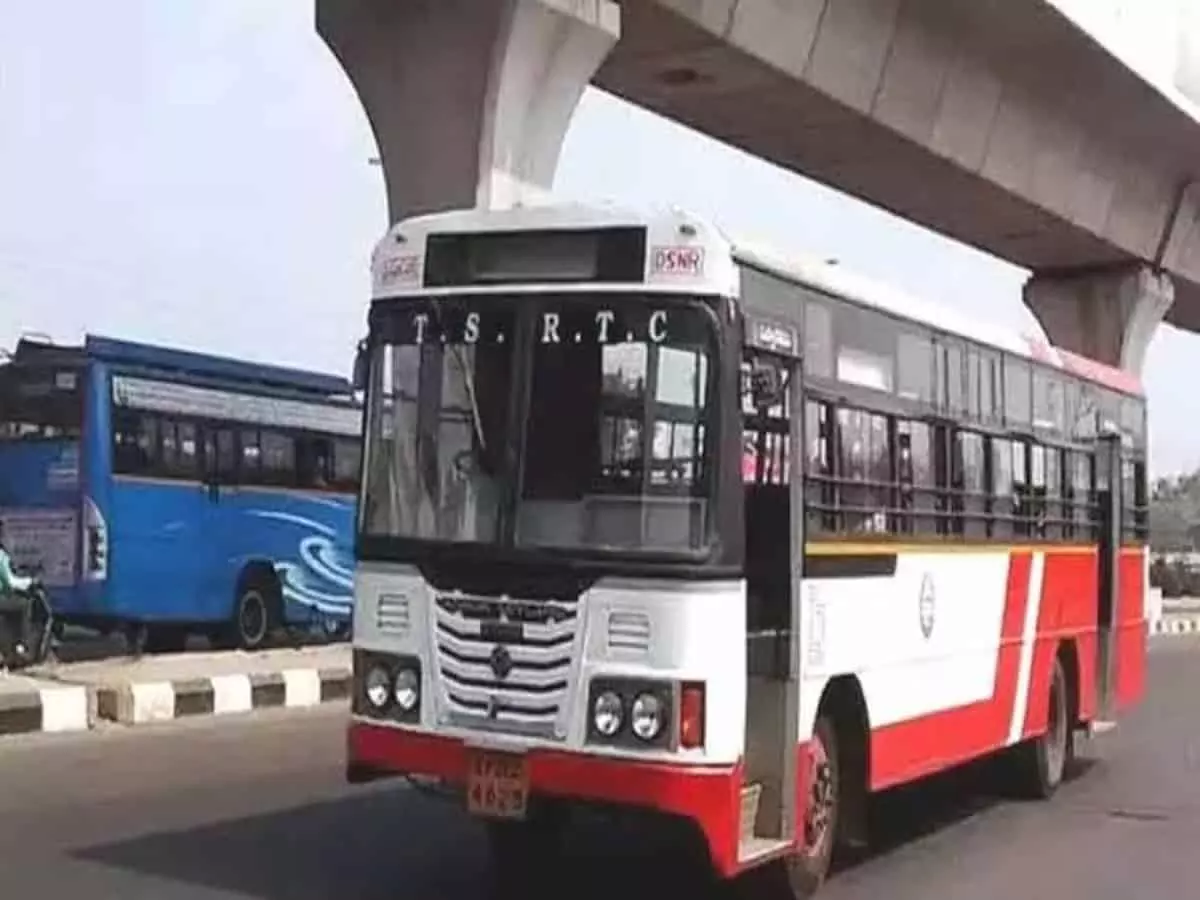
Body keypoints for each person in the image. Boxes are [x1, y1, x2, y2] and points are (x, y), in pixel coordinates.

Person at [0, 523, 37, 669]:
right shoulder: (1, 556)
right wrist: (30, 582)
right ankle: (22, 646)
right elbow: (10, 582)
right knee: (25, 605)